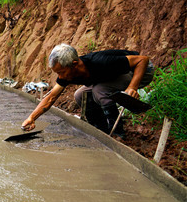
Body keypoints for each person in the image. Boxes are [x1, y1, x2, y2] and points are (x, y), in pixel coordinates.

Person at [21, 44, 154, 137]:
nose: (60, 77)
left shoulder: (101, 62)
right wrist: (32, 118)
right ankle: (101, 129)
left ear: (74, 65)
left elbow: (143, 60)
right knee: (80, 94)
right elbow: (51, 97)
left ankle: (117, 132)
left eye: (61, 72)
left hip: (140, 71)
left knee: (99, 90)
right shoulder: (68, 72)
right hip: (112, 76)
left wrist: (132, 87)